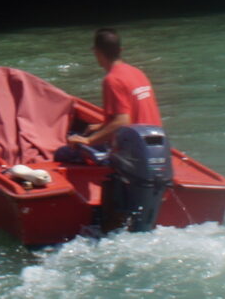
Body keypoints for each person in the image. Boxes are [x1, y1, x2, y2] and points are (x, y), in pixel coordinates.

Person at [67, 27, 172, 236]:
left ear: (96, 52)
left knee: (66, 154)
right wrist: (100, 127)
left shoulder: (112, 80)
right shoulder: (136, 72)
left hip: (132, 154)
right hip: (156, 146)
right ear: (120, 50)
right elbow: (130, 116)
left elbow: (123, 122)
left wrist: (88, 141)